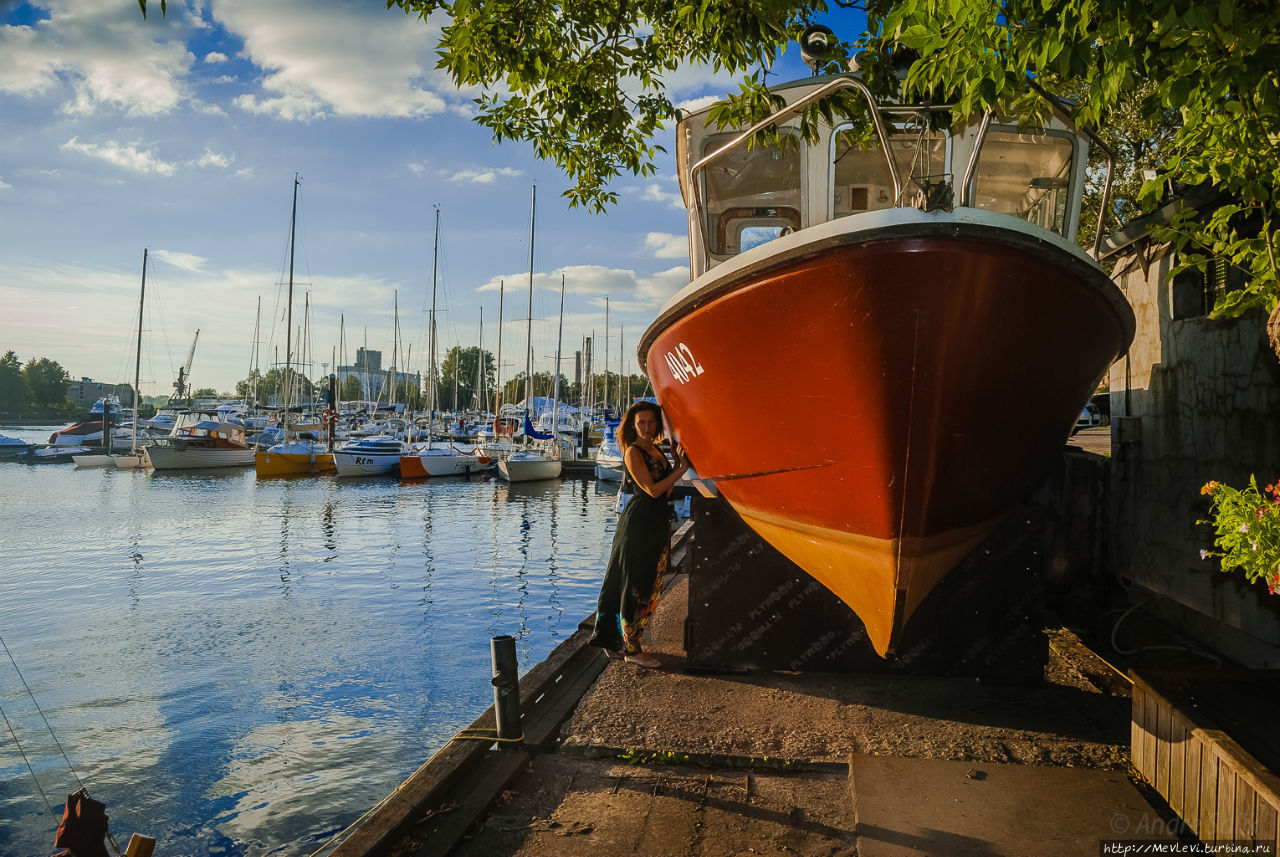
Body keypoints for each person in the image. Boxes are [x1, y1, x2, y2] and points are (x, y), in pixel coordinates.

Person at [589, 400, 690, 668]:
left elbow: (666, 492)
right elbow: (652, 490)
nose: (646, 427)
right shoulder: (632, 452)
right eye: (641, 423)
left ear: (657, 423)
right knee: (635, 585)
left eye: (651, 422)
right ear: (633, 426)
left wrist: (677, 463)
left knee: (646, 582)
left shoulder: (656, 450)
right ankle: (632, 649)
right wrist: (680, 469)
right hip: (637, 525)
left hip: (655, 521)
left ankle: (614, 641)